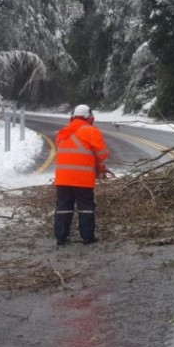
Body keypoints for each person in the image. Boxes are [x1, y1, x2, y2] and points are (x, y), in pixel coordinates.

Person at [54, 104, 109, 246]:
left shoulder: (62, 132)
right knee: (85, 207)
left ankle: (61, 237)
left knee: (63, 207)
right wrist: (97, 164)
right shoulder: (91, 131)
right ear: (89, 118)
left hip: (63, 179)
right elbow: (102, 154)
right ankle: (87, 237)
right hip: (82, 179)